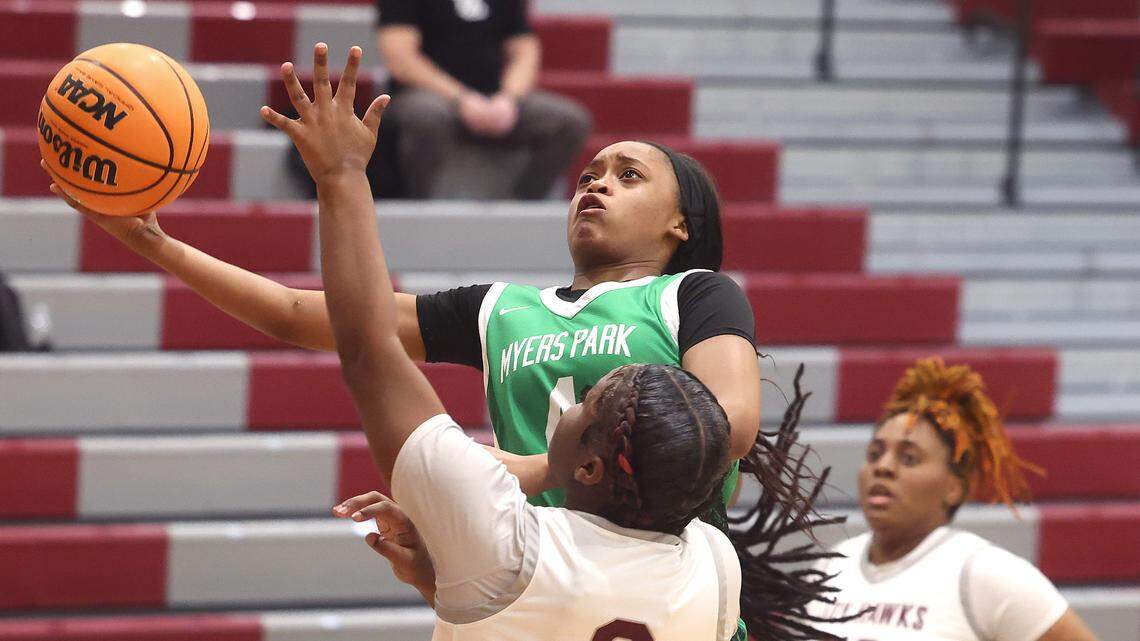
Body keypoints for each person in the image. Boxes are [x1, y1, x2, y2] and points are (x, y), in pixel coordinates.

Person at [252, 45, 842, 639]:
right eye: (588, 176)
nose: (598, 183)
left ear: (681, 223)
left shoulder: (691, 294)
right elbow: (299, 313)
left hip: (612, 564)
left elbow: (728, 424)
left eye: (629, 176)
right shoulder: (502, 309)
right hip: (539, 572)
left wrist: (543, 469)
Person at [806, 357, 1101, 641]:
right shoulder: (833, 565)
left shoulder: (985, 572)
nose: (882, 467)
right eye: (874, 453)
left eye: (909, 458)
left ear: (954, 488)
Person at [376, 0, 592, 198]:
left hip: (493, 96)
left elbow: (524, 49)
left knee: (568, 121)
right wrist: (461, 99)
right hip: (424, 94)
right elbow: (400, 58)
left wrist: (509, 98)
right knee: (427, 117)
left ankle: (519, 205)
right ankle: (417, 206)